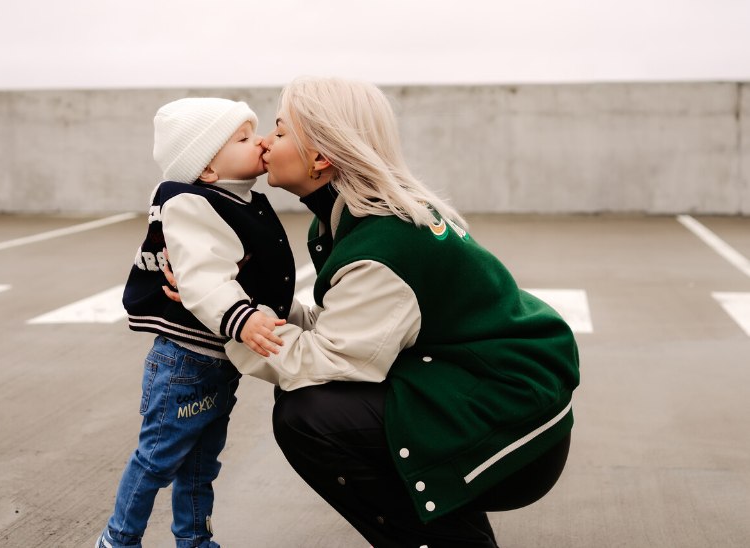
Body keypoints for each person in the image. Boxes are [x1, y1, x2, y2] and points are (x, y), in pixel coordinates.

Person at [166, 77, 581, 548]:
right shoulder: (359, 216)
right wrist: (234, 300)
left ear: (321, 158)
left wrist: (223, 319)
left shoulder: (382, 244)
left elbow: (333, 361)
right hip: (485, 391)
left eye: (279, 132)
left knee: (310, 414)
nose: (264, 142)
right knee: (319, 405)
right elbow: (353, 328)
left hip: (514, 431)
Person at [97, 97, 295, 548]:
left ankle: (194, 540)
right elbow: (203, 275)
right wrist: (242, 318)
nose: (261, 141)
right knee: (157, 459)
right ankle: (118, 539)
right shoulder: (190, 203)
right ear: (206, 169)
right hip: (184, 364)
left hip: (216, 363)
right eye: (244, 138)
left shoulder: (236, 199)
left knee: (202, 464)